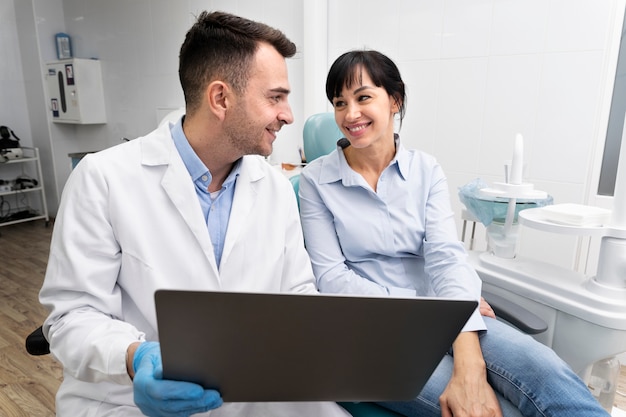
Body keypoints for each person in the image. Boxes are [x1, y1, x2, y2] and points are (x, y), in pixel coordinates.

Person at [39, 11, 352, 417]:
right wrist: (136, 357)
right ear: (220, 98)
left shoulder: (273, 187)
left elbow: (295, 294)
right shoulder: (104, 179)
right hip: (125, 400)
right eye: (275, 97)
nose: (288, 114)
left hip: (251, 394)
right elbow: (71, 317)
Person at [298, 49, 610, 417]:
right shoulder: (316, 180)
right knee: (487, 412)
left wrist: (465, 343)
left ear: (394, 100)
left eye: (363, 97)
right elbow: (332, 279)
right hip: (369, 331)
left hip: (444, 314)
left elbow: (446, 255)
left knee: (548, 372)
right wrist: (431, 311)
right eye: (339, 102)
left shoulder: (425, 169)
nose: (350, 114)